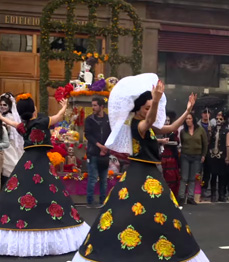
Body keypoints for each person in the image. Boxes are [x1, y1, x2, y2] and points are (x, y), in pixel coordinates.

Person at [72, 74, 209, 262]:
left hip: (151, 172)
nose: (149, 111)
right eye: (146, 107)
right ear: (138, 109)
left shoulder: (147, 126)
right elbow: (150, 120)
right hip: (140, 173)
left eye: (150, 107)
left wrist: (187, 111)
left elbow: (169, 129)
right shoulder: (138, 124)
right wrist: (156, 101)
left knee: (157, 212)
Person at [0, 94, 89, 257]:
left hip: (26, 163)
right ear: (34, 109)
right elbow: (59, 117)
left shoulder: (23, 126)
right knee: (51, 193)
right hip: (42, 163)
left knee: (17, 191)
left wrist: (0, 117)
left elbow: (12, 123)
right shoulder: (41, 122)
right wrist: (64, 106)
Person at [84, 96, 111, 208]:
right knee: (93, 178)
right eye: (92, 105)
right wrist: (100, 146)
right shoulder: (89, 119)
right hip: (93, 152)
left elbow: (112, 134)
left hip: (105, 153)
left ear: (102, 107)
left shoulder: (108, 119)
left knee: (104, 179)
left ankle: (102, 201)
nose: (93, 107)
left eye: (95, 105)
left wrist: (106, 148)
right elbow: (88, 135)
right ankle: (90, 202)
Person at [179, 113, 208, 205]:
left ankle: (191, 197)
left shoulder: (200, 130)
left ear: (193, 120)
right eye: (186, 119)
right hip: (185, 156)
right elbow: (182, 142)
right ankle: (181, 197)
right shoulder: (183, 131)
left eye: (189, 118)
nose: (188, 120)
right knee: (184, 177)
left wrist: (203, 155)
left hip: (197, 156)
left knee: (193, 178)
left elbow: (205, 143)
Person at [0, 93, 24, 186]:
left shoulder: (11, 117)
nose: (2, 107)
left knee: (10, 166)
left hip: (10, 145)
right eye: (1, 105)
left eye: (4, 105)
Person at [208, 111, 229, 202]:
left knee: (222, 176)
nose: (218, 121)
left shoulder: (226, 130)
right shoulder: (213, 129)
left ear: (224, 120)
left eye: (220, 119)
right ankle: (213, 194)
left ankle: (221, 194)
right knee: (213, 175)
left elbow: (227, 144)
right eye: (217, 119)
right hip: (213, 155)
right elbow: (209, 142)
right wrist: (209, 133)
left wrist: (227, 156)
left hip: (222, 155)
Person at [158, 114, 180, 197]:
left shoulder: (173, 131)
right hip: (160, 155)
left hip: (171, 155)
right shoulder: (158, 130)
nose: (167, 122)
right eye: (165, 120)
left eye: (168, 121)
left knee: (172, 176)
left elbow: (176, 142)